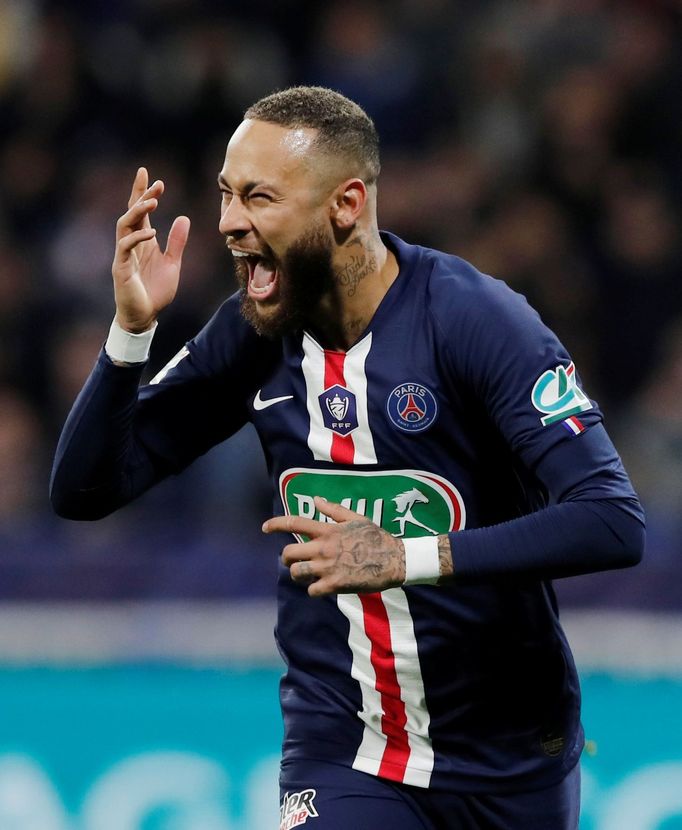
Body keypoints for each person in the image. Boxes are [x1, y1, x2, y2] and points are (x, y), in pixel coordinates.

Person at [50, 86, 644, 829]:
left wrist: (409, 555)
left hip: (511, 754)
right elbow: (84, 491)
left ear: (346, 204)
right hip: (343, 750)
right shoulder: (252, 332)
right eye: (227, 194)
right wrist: (131, 332)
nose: (230, 223)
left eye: (259, 198)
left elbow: (612, 522)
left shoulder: (477, 321)